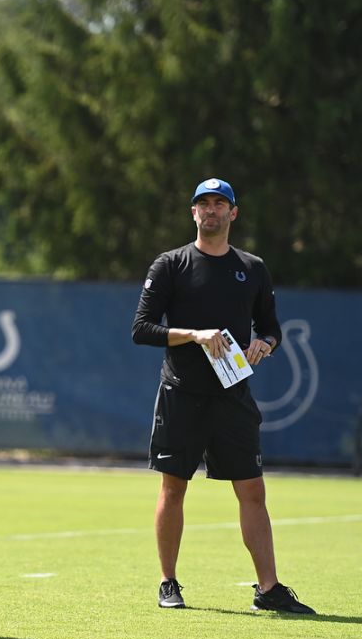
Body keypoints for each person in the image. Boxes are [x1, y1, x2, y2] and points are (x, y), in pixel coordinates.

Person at [131, 177, 315, 615]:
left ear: (233, 213)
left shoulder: (252, 268)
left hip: (232, 395)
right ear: (193, 213)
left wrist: (265, 344)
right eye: (203, 204)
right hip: (182, 393)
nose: (211, 211)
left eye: (220, 204)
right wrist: (194, 335)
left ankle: (268, 589)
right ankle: (168, 582)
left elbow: (271, 327)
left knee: (252, 491)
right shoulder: (170, 265)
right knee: (173, 487)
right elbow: (142, 329)